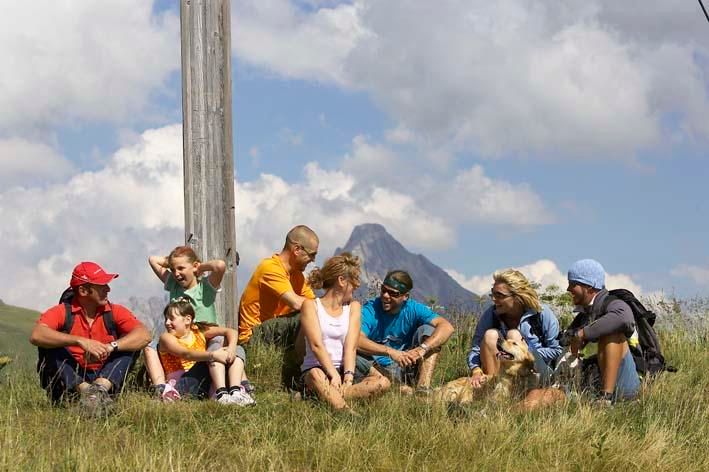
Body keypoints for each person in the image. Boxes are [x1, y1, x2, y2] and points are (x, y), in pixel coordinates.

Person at [30, 262, 151, 413]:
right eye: (101, 286)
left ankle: (98, 391)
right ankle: (88, 393)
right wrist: (80, 341)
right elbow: (37, 335)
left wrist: (110, 347)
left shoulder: (115, 311)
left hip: (105, 378)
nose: (108, 289)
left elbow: (144, 335)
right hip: (69, 384)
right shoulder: (61, 312)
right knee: (49, 346)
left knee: (129, 345)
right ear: (83, 290)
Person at [143, 247, 242, 400]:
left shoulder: (205, 287)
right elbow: (153, 260)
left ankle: (232, 387)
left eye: (181, 268)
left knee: (220, 349)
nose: (176, 273)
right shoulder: (174, 284)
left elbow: (220, 265)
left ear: (194, 266)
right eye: (173, 269)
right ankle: (160, 387)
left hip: (205, 334)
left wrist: (199, 268)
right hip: (182, 336)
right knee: (151, 347)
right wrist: (173, 263)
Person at [300, 253, 389, 411]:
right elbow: (316, 345)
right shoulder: (311, 306)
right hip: (318, 369)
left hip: (344, 368)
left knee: (383, 382)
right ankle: (346, 412)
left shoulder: (353, 307)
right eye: (354, 279)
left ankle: (328, 395)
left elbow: (351, 346)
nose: (357, 284)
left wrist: (348, 378)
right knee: (315, 375)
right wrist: (333, 374)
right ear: (341, 280)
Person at [237, 225, 318, 389]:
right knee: (305, 316)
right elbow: (297, 303)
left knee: (316, 315)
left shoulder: (297, 276)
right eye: (312, 254)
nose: (313, 260)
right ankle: (302, 372)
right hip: (254, 337)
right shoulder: (270, 268)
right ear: (296, 249)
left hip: (276, 332)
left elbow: (314, 303)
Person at [356, 270, 455, 394]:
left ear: (405, 296)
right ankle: (399, 388)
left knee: (429, 331)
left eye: (393, 293)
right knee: (353, 353)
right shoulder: (370, 310)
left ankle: (423, 389)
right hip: (375, 368)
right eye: (383, 290)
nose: (385, 295)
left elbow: (447, 327)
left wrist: (422, 348)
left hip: (405, 367)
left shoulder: (413, 309)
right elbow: (357, 340)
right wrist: (391, 352)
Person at [467, 269, 562, 389]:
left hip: (536, 372)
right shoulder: (491, 314)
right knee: (490, 335)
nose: (494, 299)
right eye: (493, 294)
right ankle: (495, 390)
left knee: (514, 335)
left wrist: (527, 352)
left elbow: (557, 350)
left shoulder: (541, 313)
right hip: (502, 373)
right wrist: (476, 370)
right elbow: (476, 349)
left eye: (499, 295)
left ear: (517, 297)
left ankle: (522, 391)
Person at [565, 259, 641, 403]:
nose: (568, 289)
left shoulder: (614, 303)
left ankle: (606, 398)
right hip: (594, 379)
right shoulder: (584, 315)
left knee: (611, 333)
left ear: (589, 286)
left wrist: (582, 334)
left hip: (625, 385)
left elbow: (623, 318)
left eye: (573, 284)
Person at [158, 299, 254, 406]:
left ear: (187, 320)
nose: (167, 323)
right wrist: (213, 355)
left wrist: (231, 349)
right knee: (215, 349)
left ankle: (235, 392)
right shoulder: (166, 338)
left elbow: (231, 331)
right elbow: (186, 354)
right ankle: (223, 393)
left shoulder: (198, 331)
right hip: (183, 384)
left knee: (236, 348)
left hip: (203, 380)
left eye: (171, 319)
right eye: (166, 319)